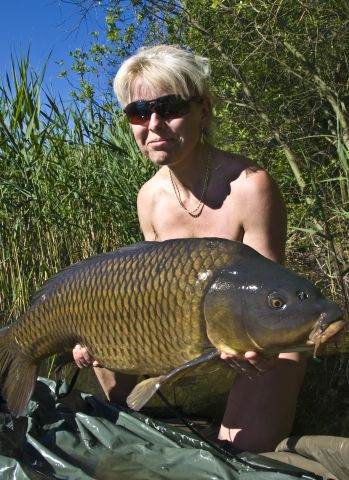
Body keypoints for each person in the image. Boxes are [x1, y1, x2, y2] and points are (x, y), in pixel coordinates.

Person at [73, 44, 307, 453]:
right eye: (139, 113)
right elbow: (148, 298)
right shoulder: (149, 197)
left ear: (204, 110)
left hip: (256, 347)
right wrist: (95, 335)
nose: (155, 124)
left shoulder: (251, 187)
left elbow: (272, 303)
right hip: (184, 341)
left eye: (171, 107)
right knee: (115, 409)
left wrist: (254, 348)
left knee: (237, 457)